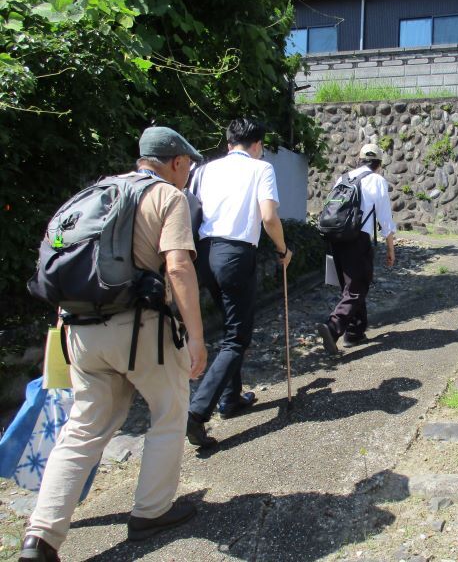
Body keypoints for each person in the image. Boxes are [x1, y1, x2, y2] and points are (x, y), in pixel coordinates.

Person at [19, 127, 208, 561]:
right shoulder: (168, 198)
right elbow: (178, 267)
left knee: (83, 428)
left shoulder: (97, 193)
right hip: (140, 328)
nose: (187, 175)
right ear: (176, 162)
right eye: (187, 167)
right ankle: (151, 511)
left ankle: (41, 537)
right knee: (169, 412)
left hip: (79, 328)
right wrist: (196, 337)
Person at [185, 117, 292, 449]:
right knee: (237, 337)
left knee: (231, 329)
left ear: (229, 141)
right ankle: (197, 412)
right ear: (257, 145)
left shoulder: (203, 169)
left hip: (203, 254)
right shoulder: (261, 169)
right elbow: (269, 217)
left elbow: (190, 210)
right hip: (235, 255)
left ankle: (230, 398)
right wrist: (283, 249)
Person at [316, 143, 396, 355]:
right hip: (357, 239)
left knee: (351, 287)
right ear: (378, 164)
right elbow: (385, 218)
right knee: (356, 288)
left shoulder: (343, 178)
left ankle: (354, 332)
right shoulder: (376, 180)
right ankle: (333, 327)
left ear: (360, 160)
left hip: (335, 237)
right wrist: (391, 248)